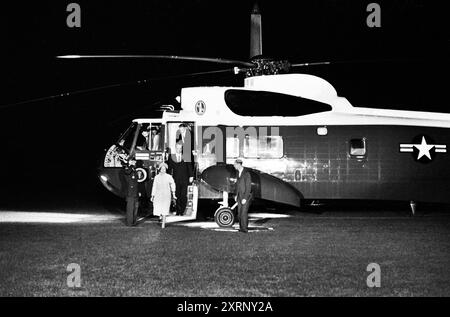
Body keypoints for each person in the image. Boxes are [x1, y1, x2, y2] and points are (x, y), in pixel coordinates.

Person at [168, 142, 194, 216]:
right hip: (175, 179)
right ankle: (178, 211)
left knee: (183, 195)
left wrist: (191, 176)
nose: (179, 150)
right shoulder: (172, 157)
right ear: (175, 148)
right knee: (177, 195)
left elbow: (189, 166)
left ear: (182, 149)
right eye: (177, 148)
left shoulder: (186, 156)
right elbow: (170, 168)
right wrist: (169, 178)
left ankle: (182, 211)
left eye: (180, 148)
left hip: (185, 179)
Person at [151, 162, 176, 228]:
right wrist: (152, 195)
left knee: (165, 209)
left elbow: (173, 184)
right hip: (158, 195)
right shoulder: (156, 177)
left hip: (166, 195)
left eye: (164, 169)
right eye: (162, 169)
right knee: (158, 207)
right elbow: (154, 186)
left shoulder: (168, 177)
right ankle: (160, 216)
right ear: (160, 169)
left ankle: (163, 224)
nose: (163, 170)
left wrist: (173, 193)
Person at [234, 158, 252, 233]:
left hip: (246, 196)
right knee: (239, 213)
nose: (234, 165)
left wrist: (245, 198)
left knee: (244, 212)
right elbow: (238, 185)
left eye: (235, 164)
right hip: (239, 195)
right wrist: (236, 195)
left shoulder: (246, 173)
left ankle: (244, 229)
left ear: (239, 164)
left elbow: (248, 187)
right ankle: (241, 228)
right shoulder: (238, 173)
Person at [124, 160, 139, 227]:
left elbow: (136, 182)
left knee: (135, 208)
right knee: (130, 209)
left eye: (135, 162)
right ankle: (129, 223)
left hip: (135, 192)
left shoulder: (134, 169)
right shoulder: (128, 168)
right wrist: (130, 165)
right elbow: (127, 172)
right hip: (130, 193)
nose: (135, 163)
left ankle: (134, 222)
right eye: (133, 162)